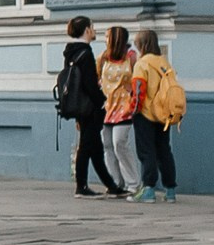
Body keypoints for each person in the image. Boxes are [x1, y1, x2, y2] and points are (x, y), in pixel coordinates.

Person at [60, 16, 124, 197]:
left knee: (95, 147)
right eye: (93, 28)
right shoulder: (85, 53)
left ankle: (111, 186)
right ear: (87, 31)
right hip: (90, 108)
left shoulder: (70, 52)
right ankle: (81, 187)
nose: (95, 31)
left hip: (79, 105)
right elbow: (89, 83)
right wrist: (102, 101)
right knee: (87, 146)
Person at [131, 28, 184, 202]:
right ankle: (170, 190)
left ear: (142, 45)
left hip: (145, 113)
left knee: (147, 151)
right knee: (164, 150)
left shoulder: (142, 64)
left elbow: (139, 90)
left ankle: (148, 189)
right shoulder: (164, 63)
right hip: (163, 114)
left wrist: (133, 110)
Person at [98, 25, 143, 199]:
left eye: (107, 36)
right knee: (107, 144)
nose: (105, 39)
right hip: (107, 106)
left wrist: (132, 91)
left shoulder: (131, 57)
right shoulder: (103, 57)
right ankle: (116, 183)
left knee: (120, 143)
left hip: (124, 108)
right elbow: (97, 77)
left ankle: (133, 183)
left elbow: (138, 80)